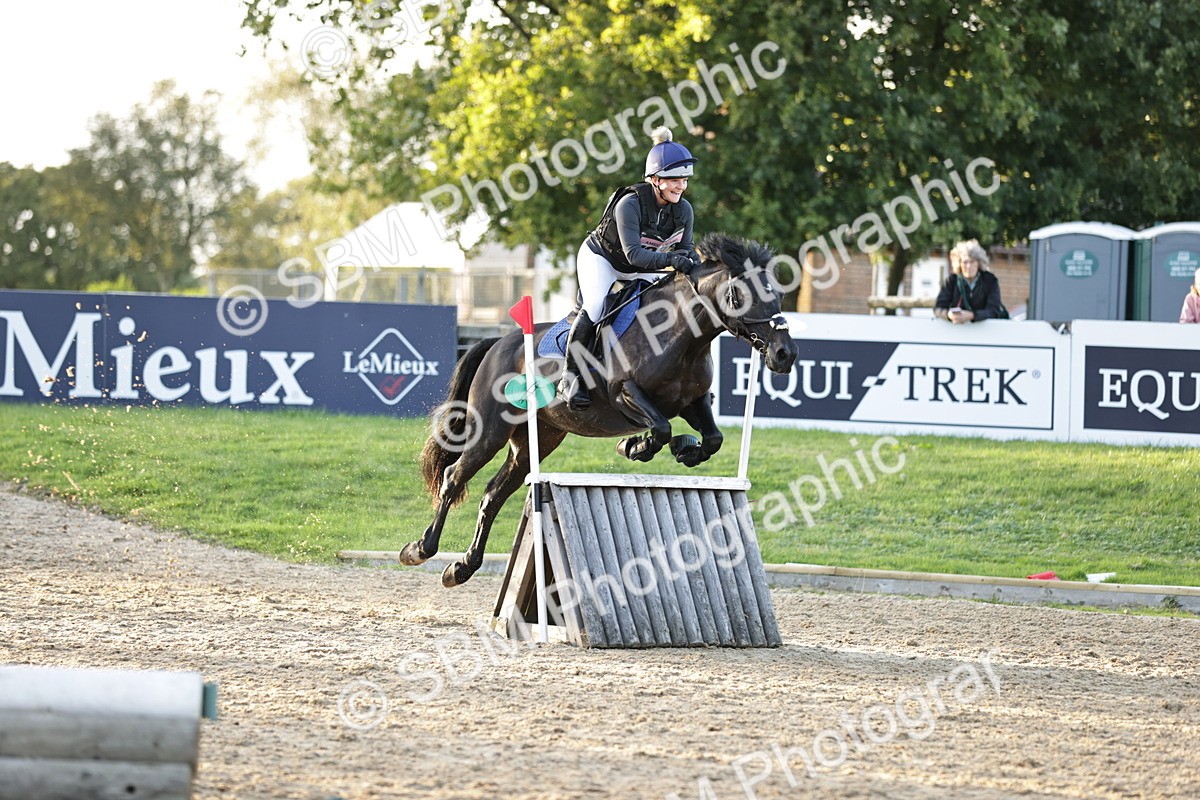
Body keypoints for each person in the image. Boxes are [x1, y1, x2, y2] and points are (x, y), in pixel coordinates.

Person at [557, 126, 702, 409]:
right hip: (604, 259)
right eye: (674, 180)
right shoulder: (630, 204)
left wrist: (689, 261)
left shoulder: (683, 210)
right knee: (597, 305)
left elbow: (684, 249)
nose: (680, 186)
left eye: (683, 180)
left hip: (642, 265)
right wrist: (672, 260)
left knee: (665, 301)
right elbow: (635, 255)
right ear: (655, 179)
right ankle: (570, 378)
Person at [933, 239, 1006, 323]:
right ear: (959, 263)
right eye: (965, 262)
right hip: (956, 331)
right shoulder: (951, 280)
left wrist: (972, 315)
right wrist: (949, 315)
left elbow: (994, 310)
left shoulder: (990, 280)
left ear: (978, 263)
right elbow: (938, 309)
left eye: (972, 262)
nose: (968, 266)